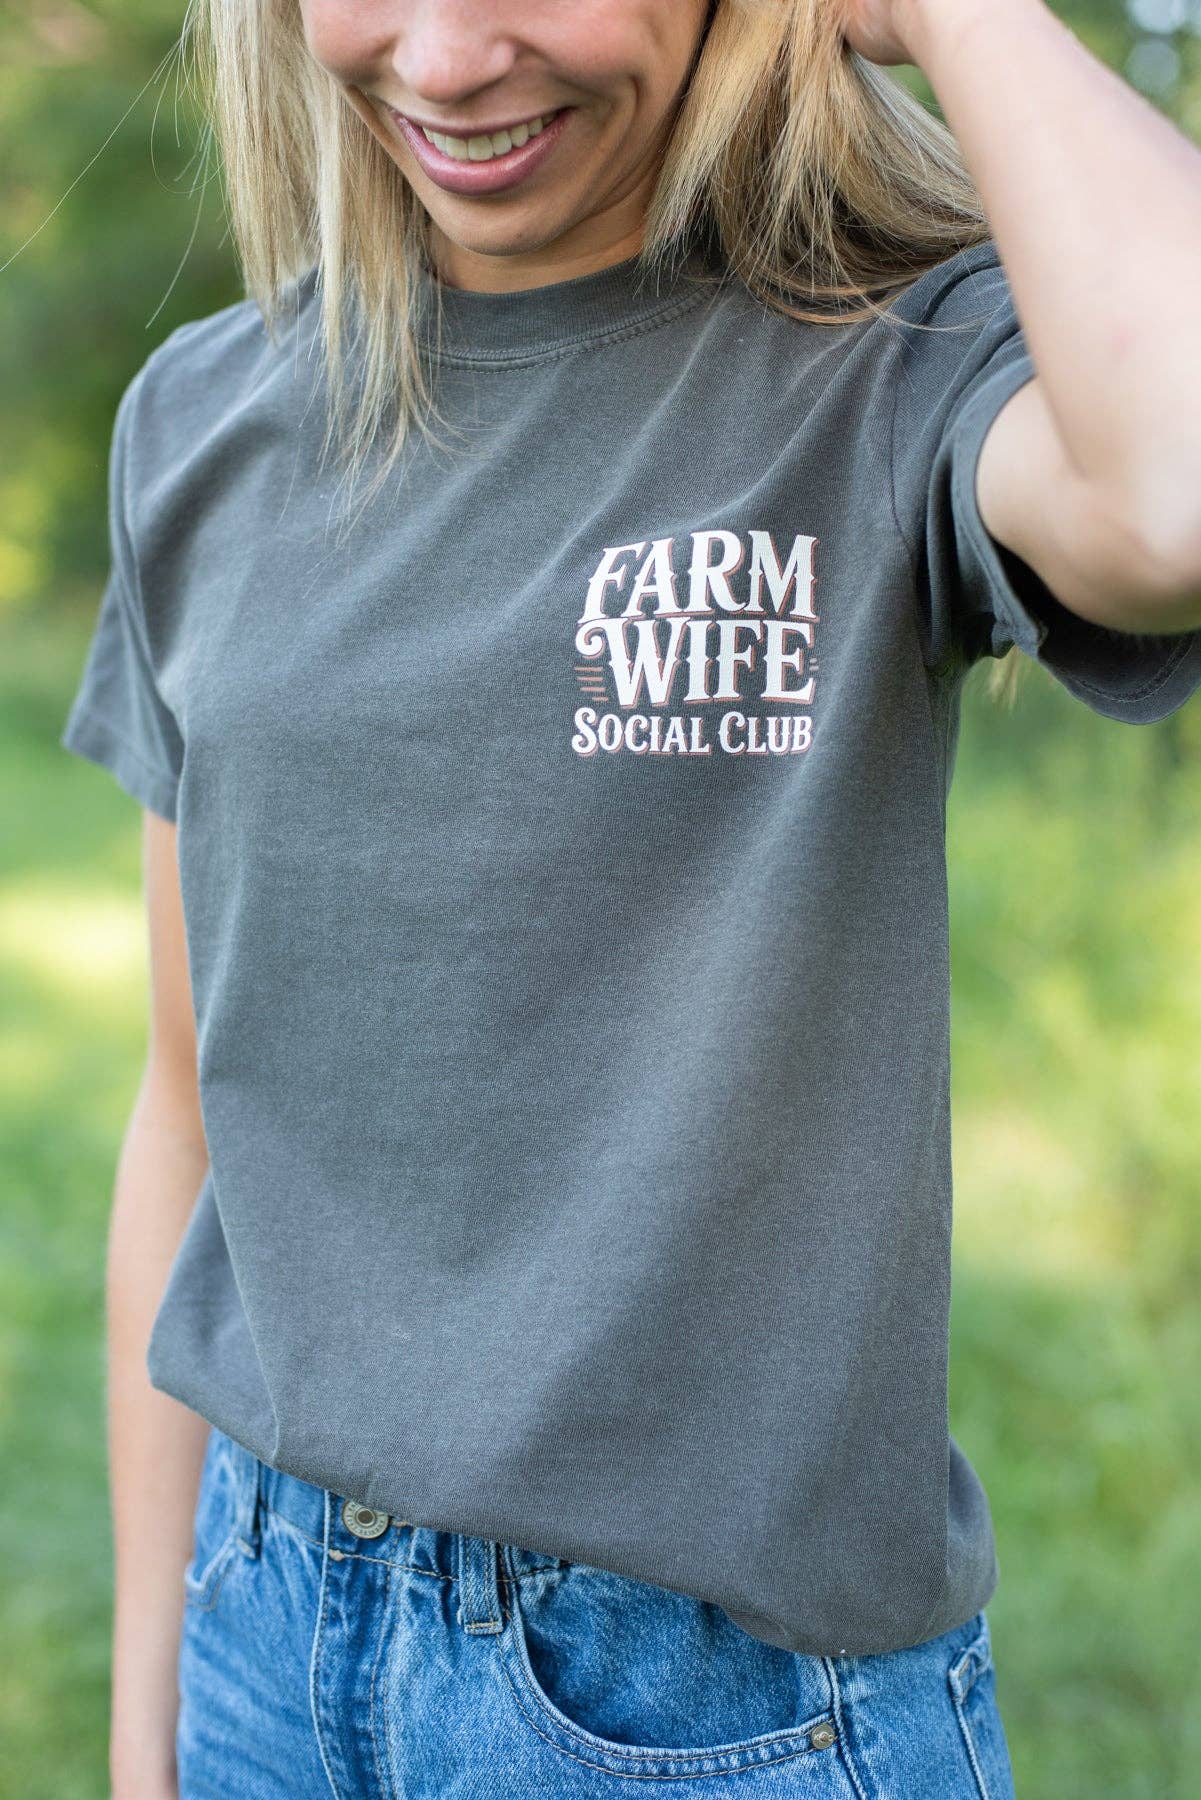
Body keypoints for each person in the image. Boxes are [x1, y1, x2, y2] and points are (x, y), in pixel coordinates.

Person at [59, 0, 1201, 1795]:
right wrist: (151, 1719)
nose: (446, 62)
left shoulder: (887, 361)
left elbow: (1175, 492)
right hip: (265, 1633)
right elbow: (190, 1115)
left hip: (707, 1708)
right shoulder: (205, 420)